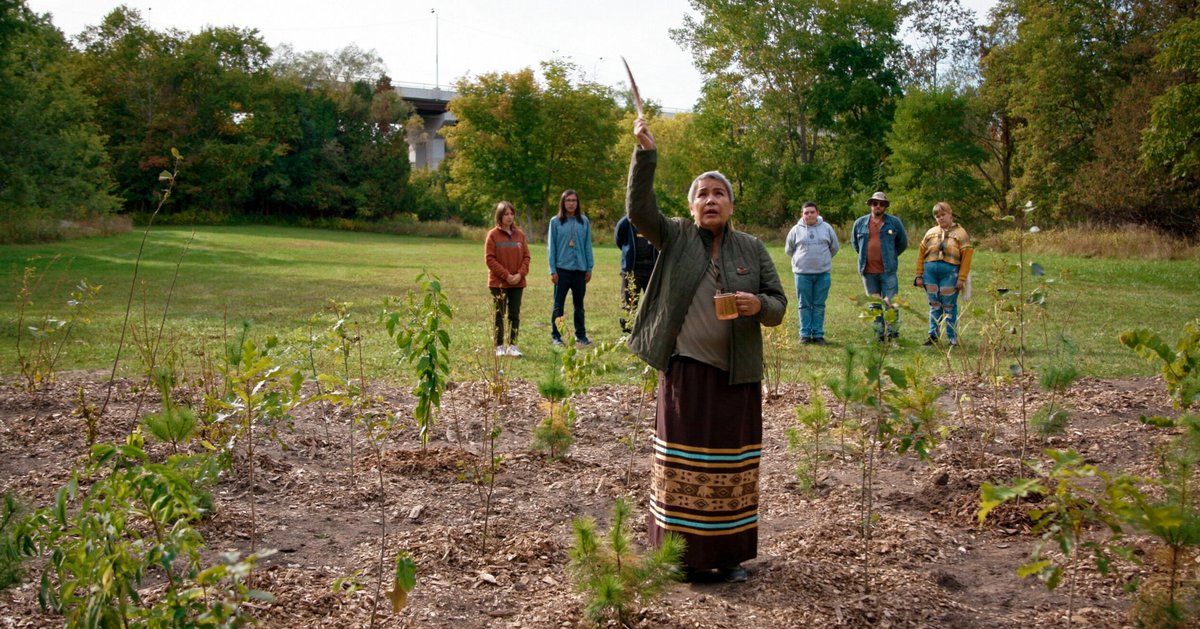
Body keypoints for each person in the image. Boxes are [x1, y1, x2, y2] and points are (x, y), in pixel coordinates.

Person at [627, 116, 787, 584]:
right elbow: (638, 209)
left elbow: (778, 307)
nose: (711, 200)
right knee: (680, 471)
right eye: (703, 194)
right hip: (685, 374)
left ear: (732, 205)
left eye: (719, 194)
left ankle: (728, 557)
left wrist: (756, 303)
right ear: (691, 205)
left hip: (736, 377)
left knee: (732, 471)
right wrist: (645, 154)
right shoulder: (675, 236)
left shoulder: (751, 249)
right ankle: (679, 557)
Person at [914, 201, 973, 346]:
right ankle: (933, 335)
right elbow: (921, 254)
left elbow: (967, 257)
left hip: (951, 274)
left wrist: (962, 278)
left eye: (943, 214)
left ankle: (952, 337)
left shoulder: (961, 233)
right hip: (930, 273)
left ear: (950, 214)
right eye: (937, 216)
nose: (941, 218)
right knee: (934, 304)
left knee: (949, 305)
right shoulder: (930, 232)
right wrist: (919, 275)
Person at [851, 192, 908, 340]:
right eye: (875, 203)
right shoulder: (860, 223)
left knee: (892, 304)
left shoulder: (894, 223)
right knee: (874, 305)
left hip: (888, 271)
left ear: (885, 206)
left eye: (881, 204)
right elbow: (856, 244)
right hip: (868, 271)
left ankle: (893, 335)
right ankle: (878, 335)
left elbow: (902, 243)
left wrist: (891, 256)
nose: (878, 206)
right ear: (870, 205)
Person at [784, 201, 840, 345]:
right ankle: (804, 335)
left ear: (817, 213)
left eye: (812, 212)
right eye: (806, 212)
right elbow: (789, 250)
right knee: (804, 305)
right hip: (802, 274)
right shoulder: (796, 230)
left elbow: (834, 247)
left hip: (823, 274)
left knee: (819, 305)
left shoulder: (827, 228)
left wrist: (823, 260)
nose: (809, 215)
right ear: (802, 215)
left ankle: (818, 335)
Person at [547, 189, 594, 346]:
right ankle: (556, 336)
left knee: (579, 305)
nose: (571, 203)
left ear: (578, 203)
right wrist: (552, 270)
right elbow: (551, 248)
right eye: (568, 200)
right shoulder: (555, 222)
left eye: (574, 200)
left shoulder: (584, 222)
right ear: (563, 202)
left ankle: (581, 335)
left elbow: (588, 246)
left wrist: (589, 268)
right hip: (562, 270)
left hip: (580, 270)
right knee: (558, 304)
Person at [485, 201, 531, 357]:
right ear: (500, 216)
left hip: (518, 282)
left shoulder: (520, 235)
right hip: (498, 283)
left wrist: (519, 275)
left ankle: (513, 346)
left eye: (512, 214)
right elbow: (489, 259)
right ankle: (499, 346)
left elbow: (526, 257)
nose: (509, 217)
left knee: (514, 314)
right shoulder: (493, 235)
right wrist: (506, 275)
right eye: (506, 214)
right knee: (499, 314)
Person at [614, 214, 658, 333]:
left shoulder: (657, 219)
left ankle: (650, 332)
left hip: (653, 269)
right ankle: (629, 333)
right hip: (632, 270)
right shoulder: (625, 222)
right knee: (629, 303)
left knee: (654, 304)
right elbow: (619, 241)